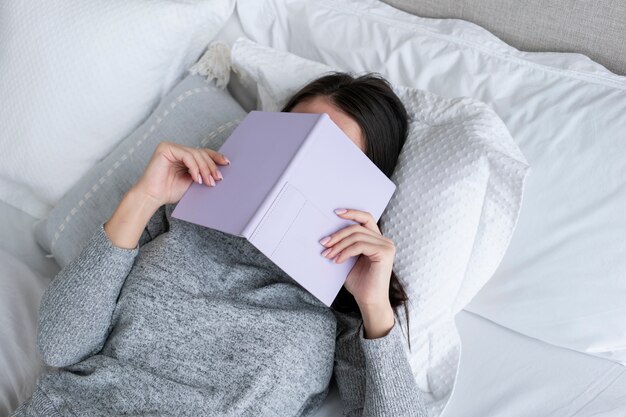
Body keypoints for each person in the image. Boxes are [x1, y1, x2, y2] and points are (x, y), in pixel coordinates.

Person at [11, 72, 427, 417]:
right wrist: (144, 198)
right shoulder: (183, 215)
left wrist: (375, 306)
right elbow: (60, 344)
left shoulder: (342, 309)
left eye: (328, 157)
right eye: (295, 137)